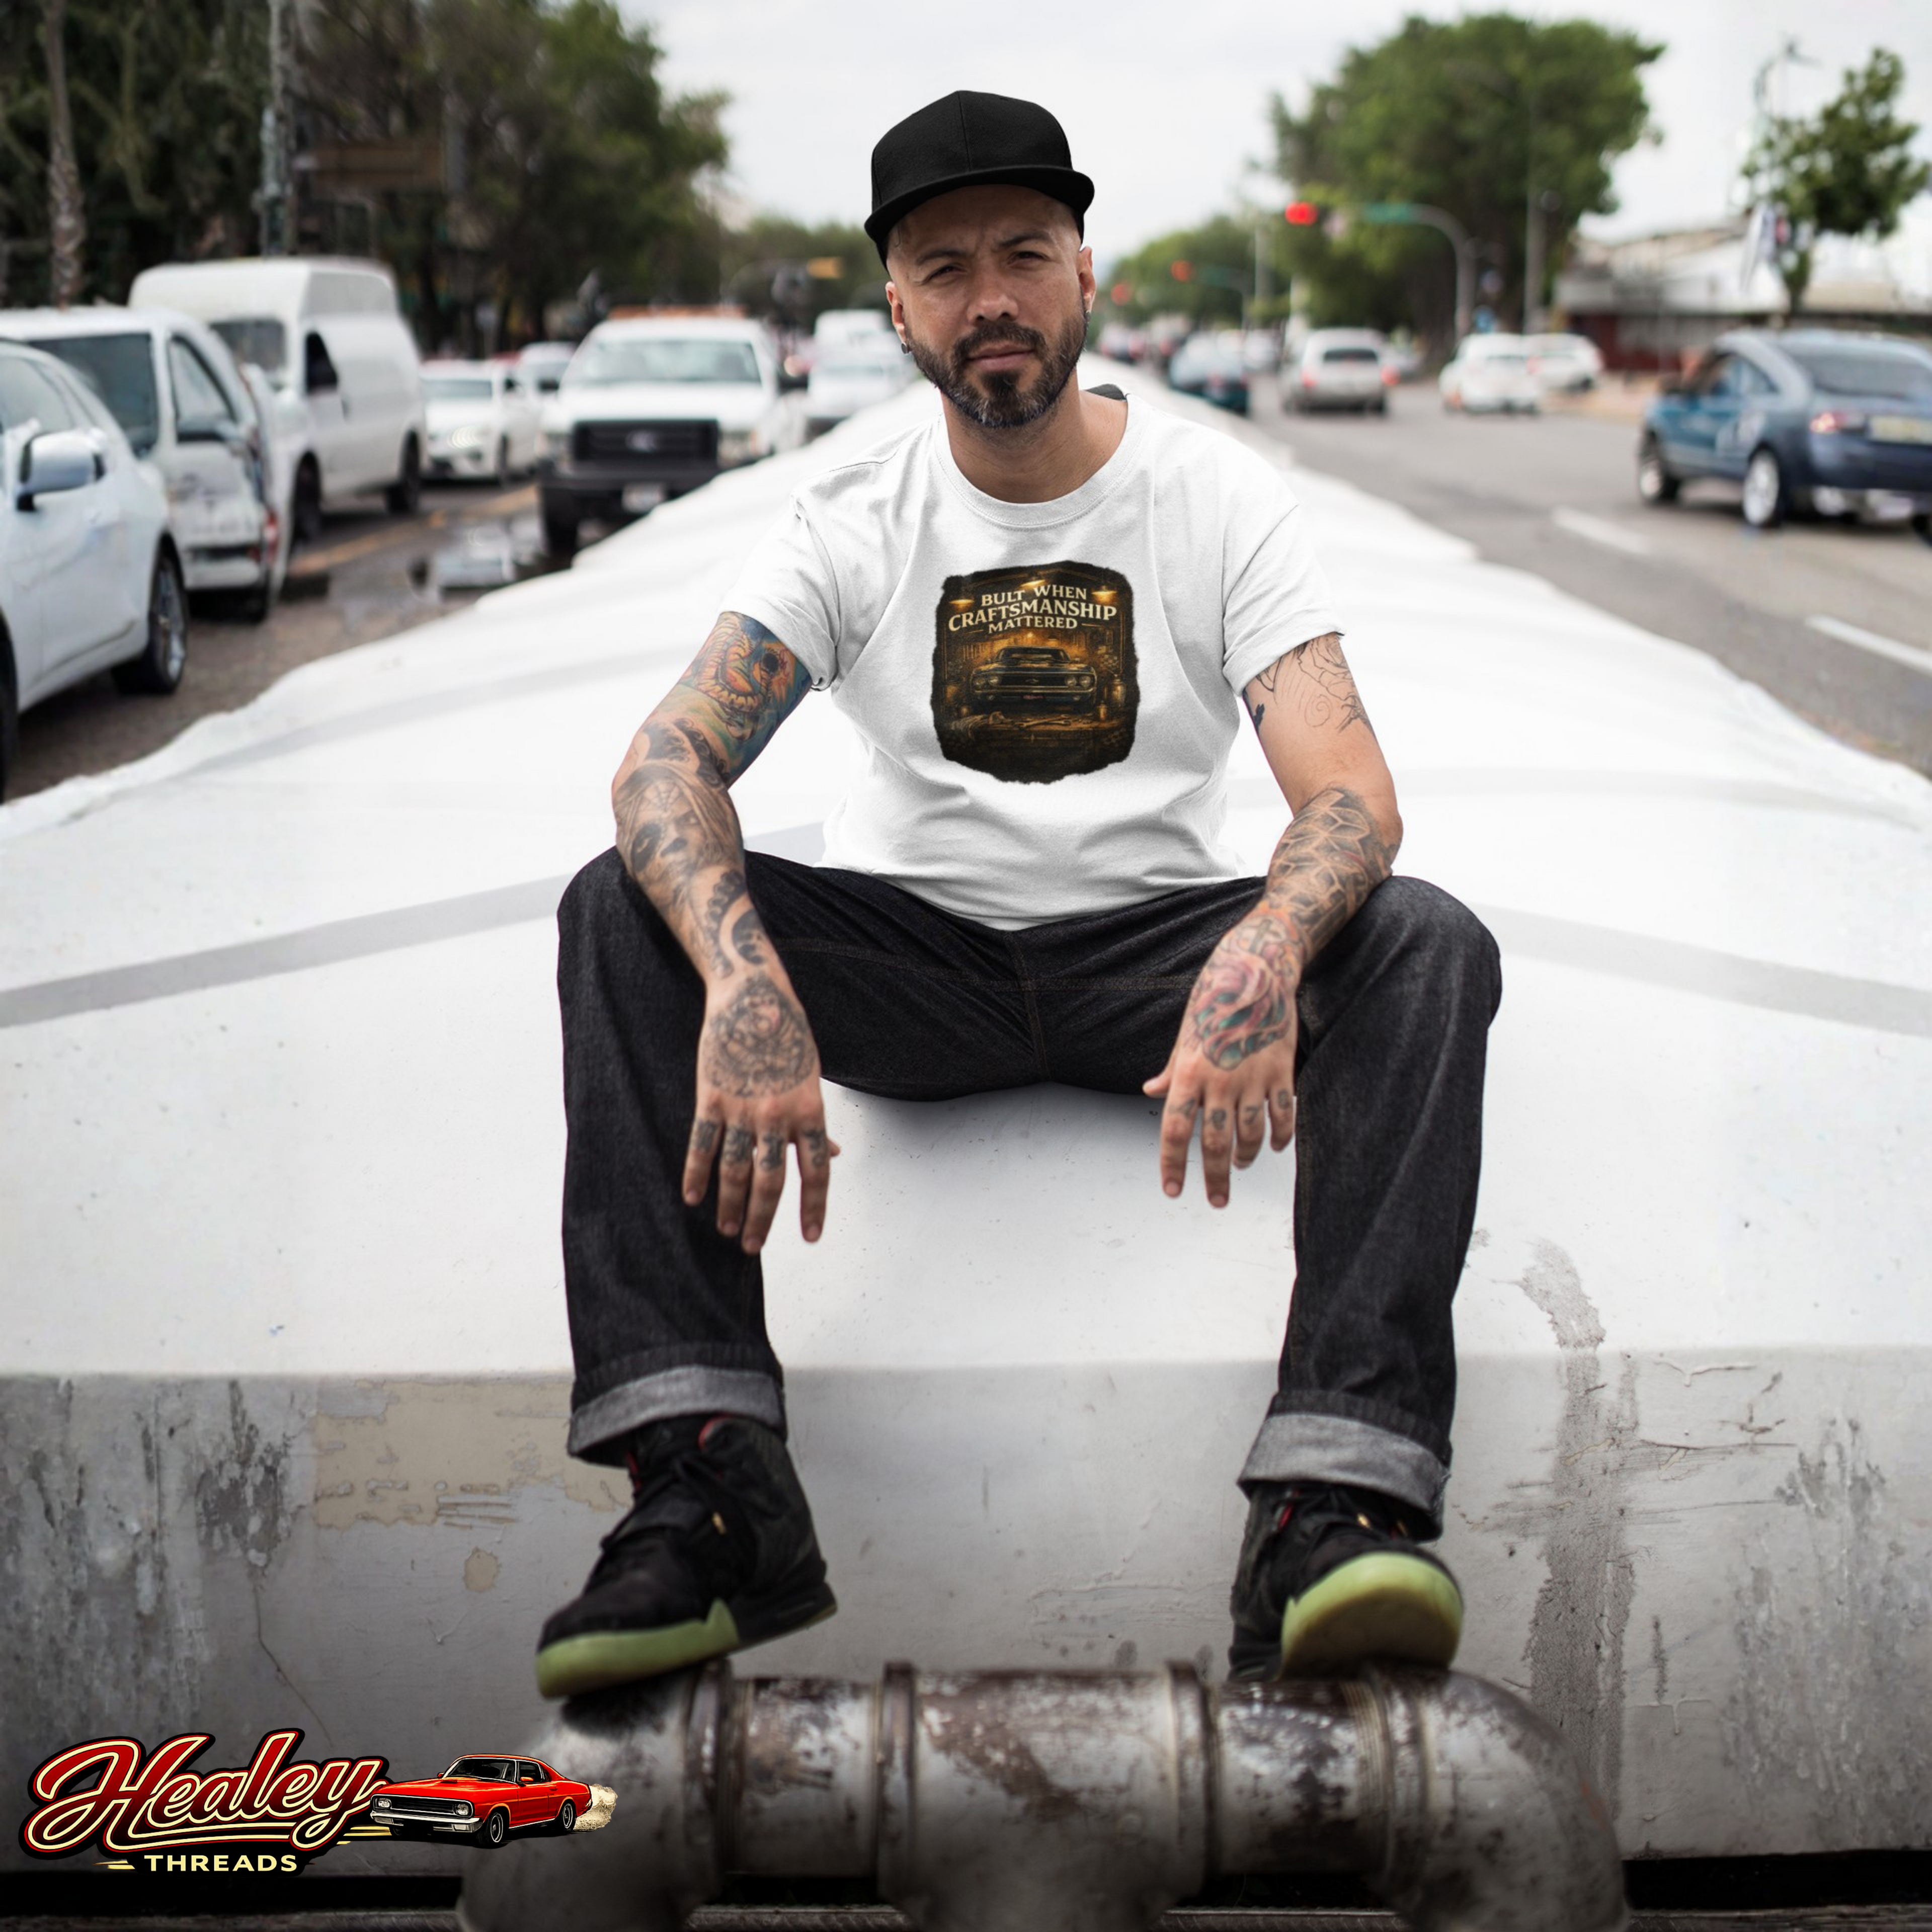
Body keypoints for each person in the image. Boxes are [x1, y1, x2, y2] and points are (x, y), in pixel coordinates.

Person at [535, 91, 1501, 1701]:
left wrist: (1263, 943)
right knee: (619, 900)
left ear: (1084, 277)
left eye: (1025, 255)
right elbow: (668, 759)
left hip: (1156, 963)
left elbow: (1350, 795)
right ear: (896, 306)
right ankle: (707, 1490)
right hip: (916, 960)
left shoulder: (1215, 497)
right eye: (946, 265)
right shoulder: (852, 512)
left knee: (1422, 943)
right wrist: (749, 982)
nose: (992, 296)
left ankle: (1336, 1501)